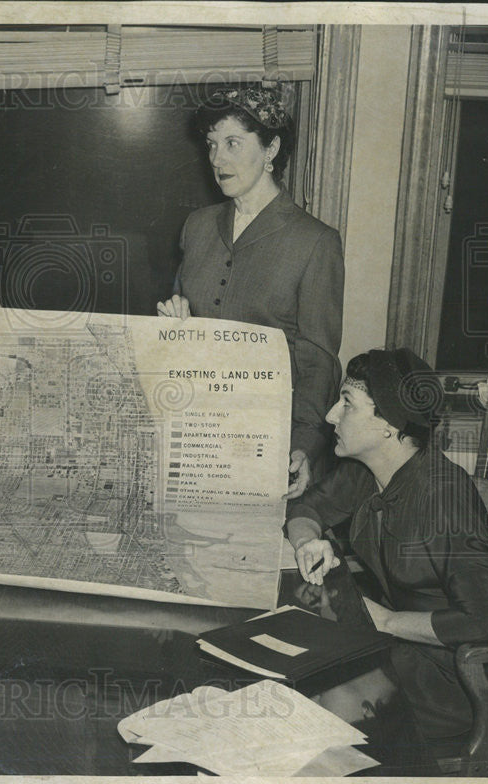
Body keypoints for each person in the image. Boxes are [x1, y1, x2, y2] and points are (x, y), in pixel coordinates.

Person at [286, 348, 488, 740]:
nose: (330, 415)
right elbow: (306, 507)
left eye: (347, 405)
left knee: (306, 707)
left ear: (388, 423)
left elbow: (483, 621)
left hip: (455, 677)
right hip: (398, 647)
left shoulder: (444, 497)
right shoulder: (366, 472)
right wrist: (308, 542)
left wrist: (384, 621)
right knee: (290, 671)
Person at [157, 87, 344, 498]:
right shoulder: (198, 226)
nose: (216, 159)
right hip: (196, 437)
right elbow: (177, 331)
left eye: (232, 144)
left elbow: (319, 362)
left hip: (267, 441)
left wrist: (303, 447)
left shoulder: (315, 242)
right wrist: (174, 323)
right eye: (211, 145)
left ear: (271, 148)